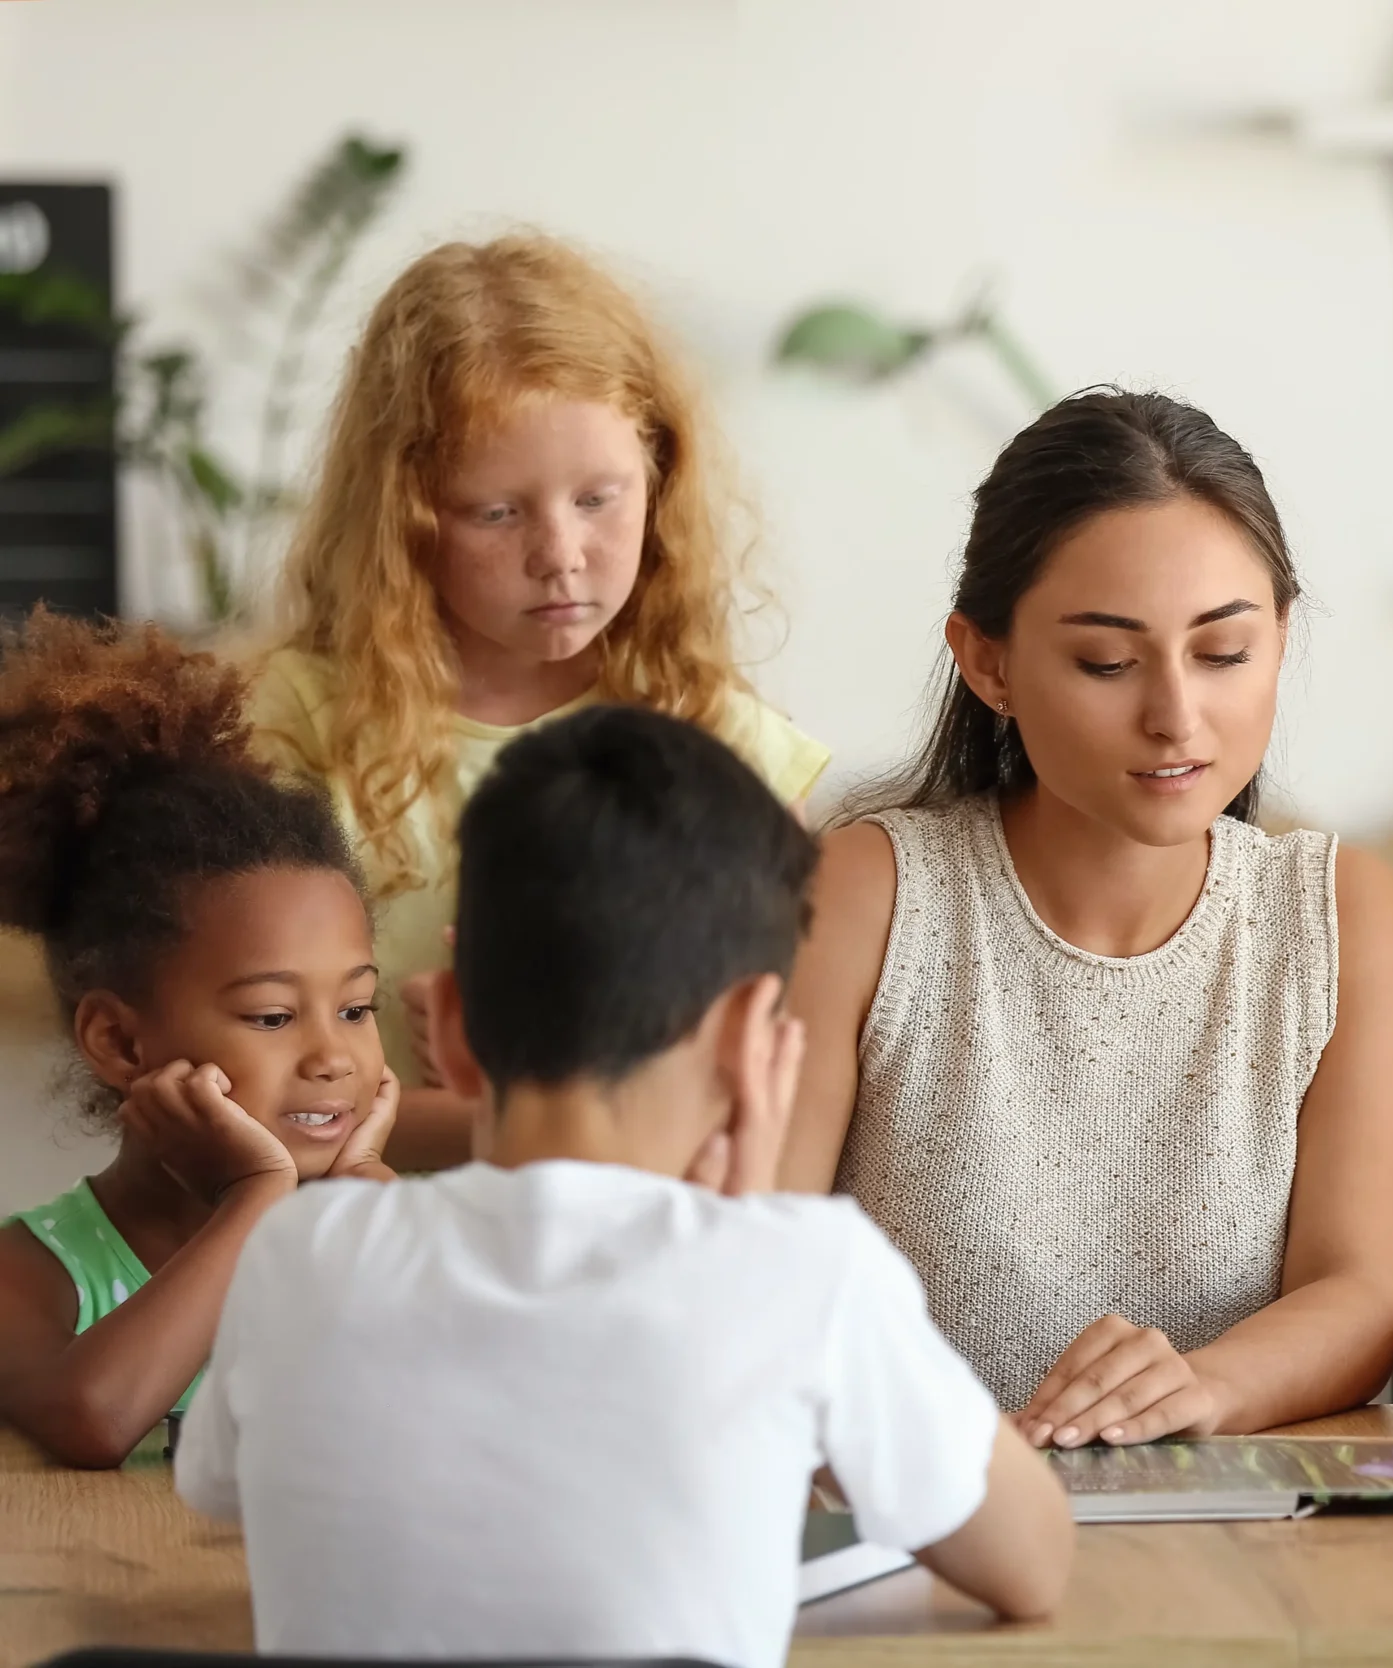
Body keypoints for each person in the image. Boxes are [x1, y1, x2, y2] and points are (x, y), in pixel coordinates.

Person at [176, 705, 1071, 1665]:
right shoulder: (808, 1274)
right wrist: (763, 1235)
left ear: (453, 1035)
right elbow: (1033, 1565)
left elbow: (218, 1491)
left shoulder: (300, 1255)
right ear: (753, 1044)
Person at [781, 388, 1393, 1448]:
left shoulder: (1341, 915)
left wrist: (1198, 1391)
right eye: (1107, 663)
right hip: (917, 1532)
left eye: (1223, 654)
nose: (1176, 715)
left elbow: (1360, 1294)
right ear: (987, 661)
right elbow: (759, 1265)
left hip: (1245, 1552)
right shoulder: (865, 894)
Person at [251, 233, 829, 1170]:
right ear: (406, 520)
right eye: (497, 513)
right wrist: (509, 1117)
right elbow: (252, 1080)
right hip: (360, 1251)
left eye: (599, 499)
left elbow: (776, 1081)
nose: (560, 554)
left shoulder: (721, 743)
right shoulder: (301, 725)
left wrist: (495, 1110)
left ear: (660, 478)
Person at [0, 611, 395, 1469]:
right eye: (273, 1017)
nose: (333, 1058)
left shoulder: (379, 1231)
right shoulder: (30, 1271)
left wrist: (372, 1207)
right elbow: (92, 1421)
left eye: (357, 1009)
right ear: (119, 1042)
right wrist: (256, 1198)